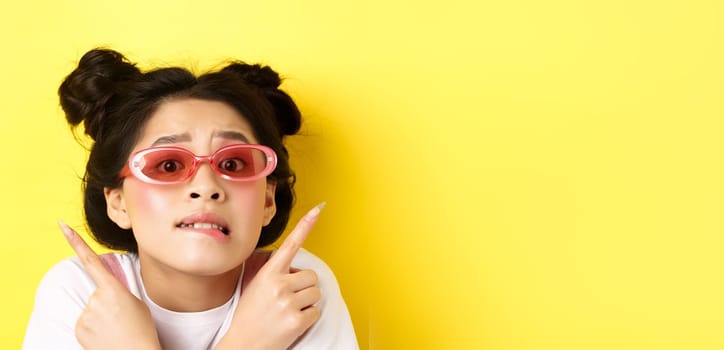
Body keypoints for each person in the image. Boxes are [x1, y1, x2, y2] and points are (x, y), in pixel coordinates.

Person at [23, 48, 358, 350]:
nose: (207, 186)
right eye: (168, 165)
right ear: (118, 203)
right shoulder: (80, 294)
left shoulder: (296, 286)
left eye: (232, 163)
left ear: (268, 200)